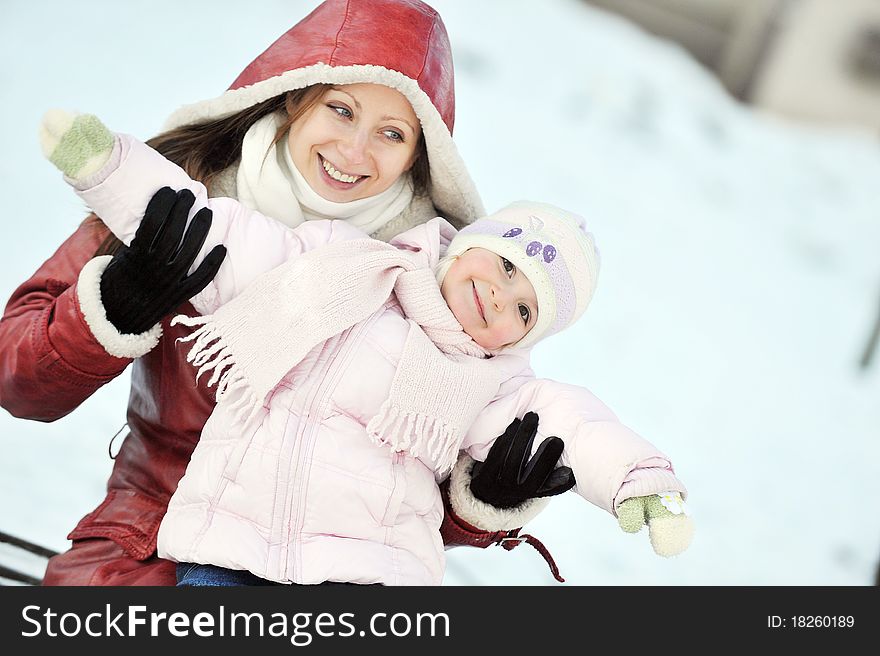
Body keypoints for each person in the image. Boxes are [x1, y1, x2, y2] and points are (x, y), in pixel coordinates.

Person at [0, 0, 572, 586]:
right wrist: (113, 306)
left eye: (392, 133)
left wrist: (484, 496)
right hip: (150, 538)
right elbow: (16, 378)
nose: (354, 152)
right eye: (341, 110)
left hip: (331, 576)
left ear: (417, 157)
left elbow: (397, 505)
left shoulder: (437, 283)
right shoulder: (179, 194)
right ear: (297, 96)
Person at [38, 113, 694, 585]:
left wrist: (640, 484)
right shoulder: (338, 263)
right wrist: (109, 167)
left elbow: (578, 428)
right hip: (228, 548)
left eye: (526, 310)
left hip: (370, 577)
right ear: (464, 247)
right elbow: (217, 232)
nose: (501, 297)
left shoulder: (496, 383)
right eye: (503, 267)